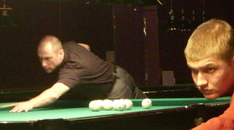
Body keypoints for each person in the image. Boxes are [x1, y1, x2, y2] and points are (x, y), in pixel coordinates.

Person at [10, 36, 143, 112]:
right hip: (119, 73)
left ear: (60, 52)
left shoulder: (73, 69)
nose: (43, 64)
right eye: (41, 59)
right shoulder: (69, 45)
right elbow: (85, 46)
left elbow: (53, 94)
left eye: (48, 58)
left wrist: (30, 103)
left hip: (116, 88)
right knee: (144, 105)